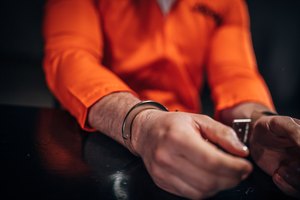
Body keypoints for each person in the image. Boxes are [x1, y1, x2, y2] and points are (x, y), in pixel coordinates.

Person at [43, 0, 300, 199]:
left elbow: (234, 76)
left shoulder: (227, 3)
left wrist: (257, 124)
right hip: (90, 144)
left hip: (185, 139)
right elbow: (70, 57)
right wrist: (141, 124)